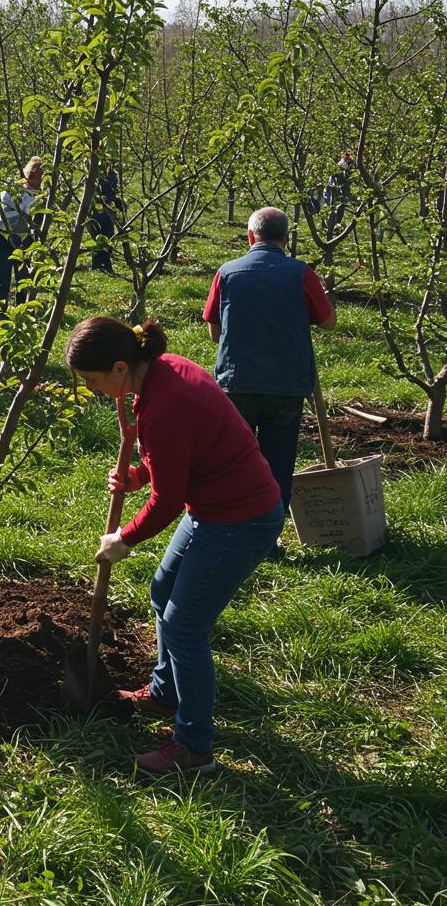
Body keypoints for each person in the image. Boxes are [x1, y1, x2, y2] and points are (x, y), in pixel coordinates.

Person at [66, 316, 284, 776]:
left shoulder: (167, 402)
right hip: (213, 506)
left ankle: (194, 747)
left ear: (120, 368)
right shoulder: (163, 370)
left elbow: (166, 503)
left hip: (237, 519)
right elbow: (184, 454)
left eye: (92, 380)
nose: (92, 389)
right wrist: (139, 474)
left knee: (184, 627)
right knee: (163, 592)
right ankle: (165, 694)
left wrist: (123, 538)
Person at [203, 207, 336, 514]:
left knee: (236, 460)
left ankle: (235, 526)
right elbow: (329, 322)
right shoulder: (302, 273)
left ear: (250, 236)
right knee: (279, 462)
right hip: (286, 385)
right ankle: (269, 534)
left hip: (238, 383)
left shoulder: (227, 272)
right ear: (285, 239)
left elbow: (214, 333)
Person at [0, 156, 42, 309]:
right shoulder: (13, 189)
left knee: (23, 280)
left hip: (26, 240)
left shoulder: (44, 196)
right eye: (37, 175)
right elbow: (8, 212)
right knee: (2, 280)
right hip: (3, 236)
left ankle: (22, 311)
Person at [89, 163, 122, 273]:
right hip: (99, 212)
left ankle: (102, 265)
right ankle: (100, 265)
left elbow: (113, 193)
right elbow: (110, 193)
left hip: (104, 212)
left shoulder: (110, 175)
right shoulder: (96, 177)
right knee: (102, 238)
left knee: (104, 238)